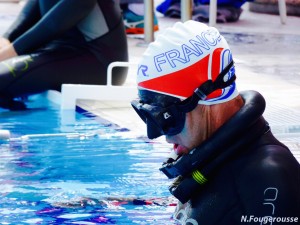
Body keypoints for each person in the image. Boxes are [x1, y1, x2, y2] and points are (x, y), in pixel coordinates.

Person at [131, 20, 300, 224]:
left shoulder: (268, 176)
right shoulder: (211, 159)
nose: (161, 135)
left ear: (206, 97)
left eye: (167, 118)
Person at [0, 0, 128, 110]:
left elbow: (54, 24)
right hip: (60, 53)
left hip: (97, 61)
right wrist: (6, 40)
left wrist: (7, 53)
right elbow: (29, 14)